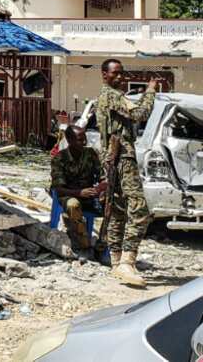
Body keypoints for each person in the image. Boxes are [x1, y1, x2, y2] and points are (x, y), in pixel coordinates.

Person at [95, 58, 160, 287]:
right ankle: (127, 261)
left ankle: (116, 261)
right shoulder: (111, 95)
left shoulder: (111, 96)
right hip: (122, 155)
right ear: (105, 75)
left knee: (119, 209)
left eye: (122, 73)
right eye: (116, 73)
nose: (121, 77)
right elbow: (139, 114)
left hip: (113, 157)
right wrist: (151, 91)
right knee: (140, 208)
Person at [50, 125, 104, 254]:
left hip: (90, 196)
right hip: (68, 195)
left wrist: (100, 189)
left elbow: (102, 176)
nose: (84, 142)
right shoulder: (59, 158)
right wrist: (79, 193)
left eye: (84, 139)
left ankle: (102, 245)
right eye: (80, 140)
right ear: (69, 140)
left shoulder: (90, 154)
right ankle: (84, 245)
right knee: (73, 205)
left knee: (114, 204)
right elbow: (58, 189)